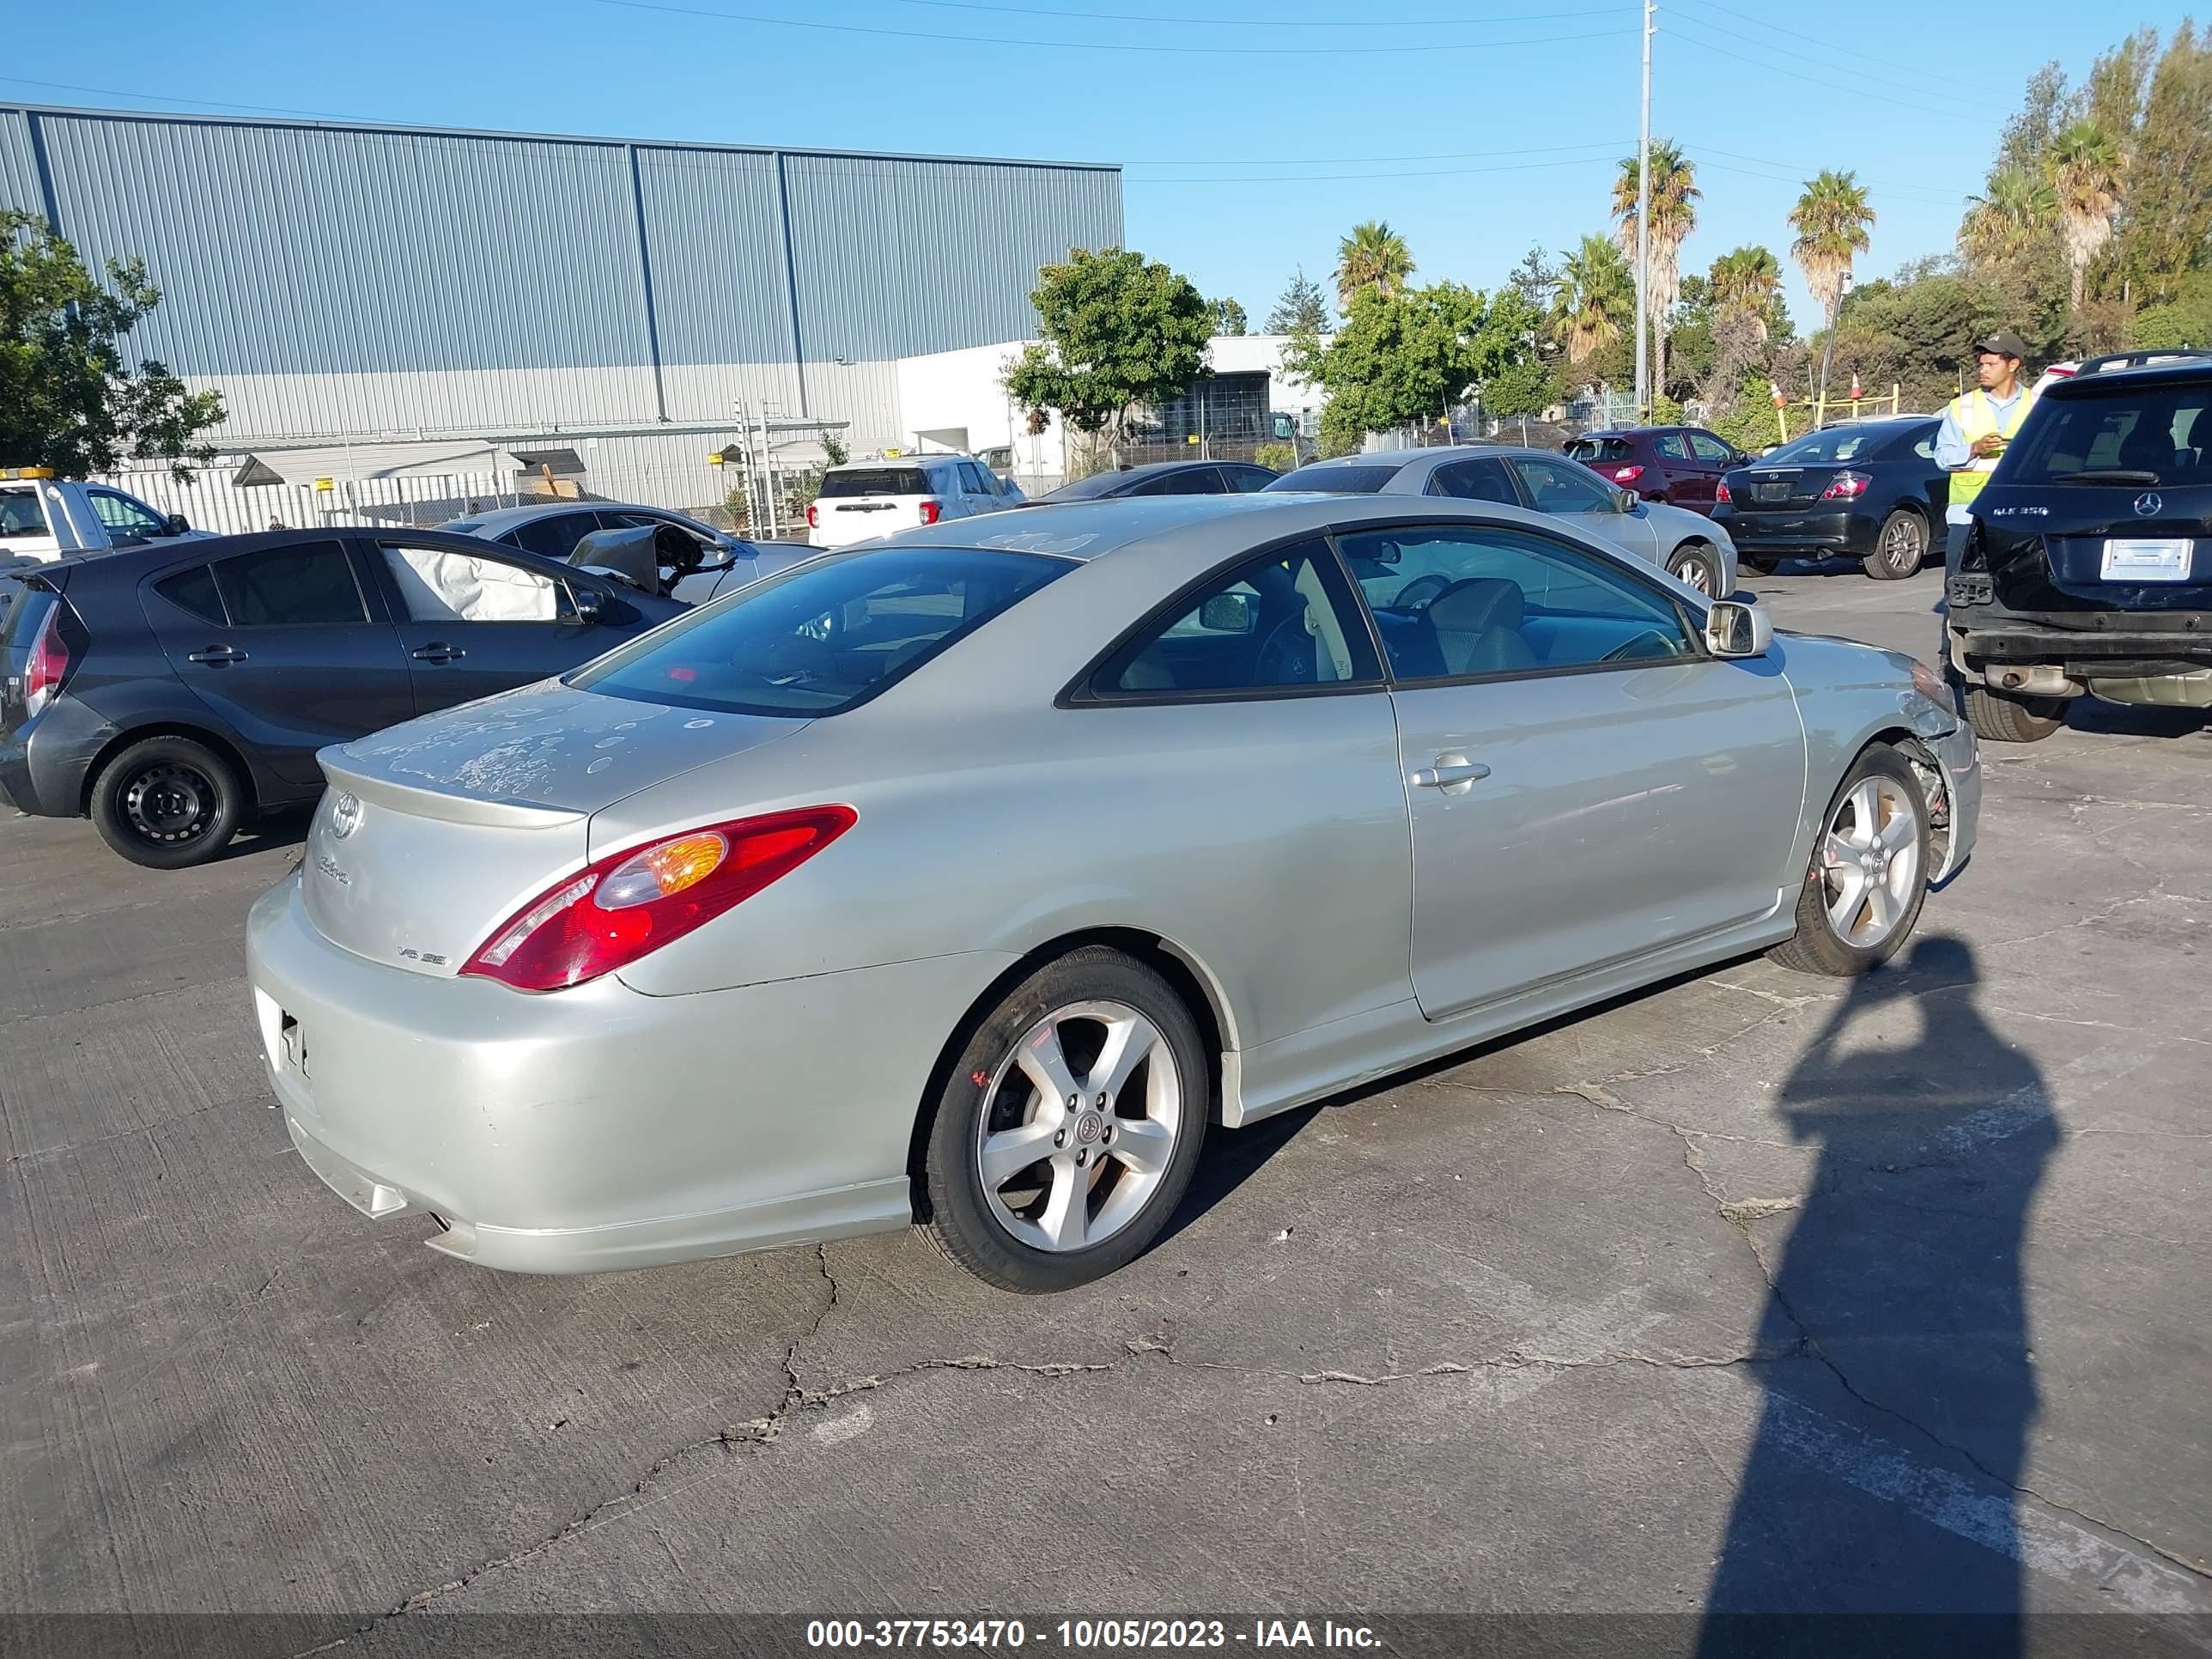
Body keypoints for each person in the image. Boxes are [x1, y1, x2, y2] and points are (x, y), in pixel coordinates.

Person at [1936, 331, 2038, 562]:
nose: (1983, 370)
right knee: (1959, 589)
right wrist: (1974, 449)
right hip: (1967, 515)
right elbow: (1942, 457)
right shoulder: (1963, 406)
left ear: (2013, 364)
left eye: (1991, 364)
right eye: (1981, 364)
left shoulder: (2038, 405)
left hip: (2020, 515)